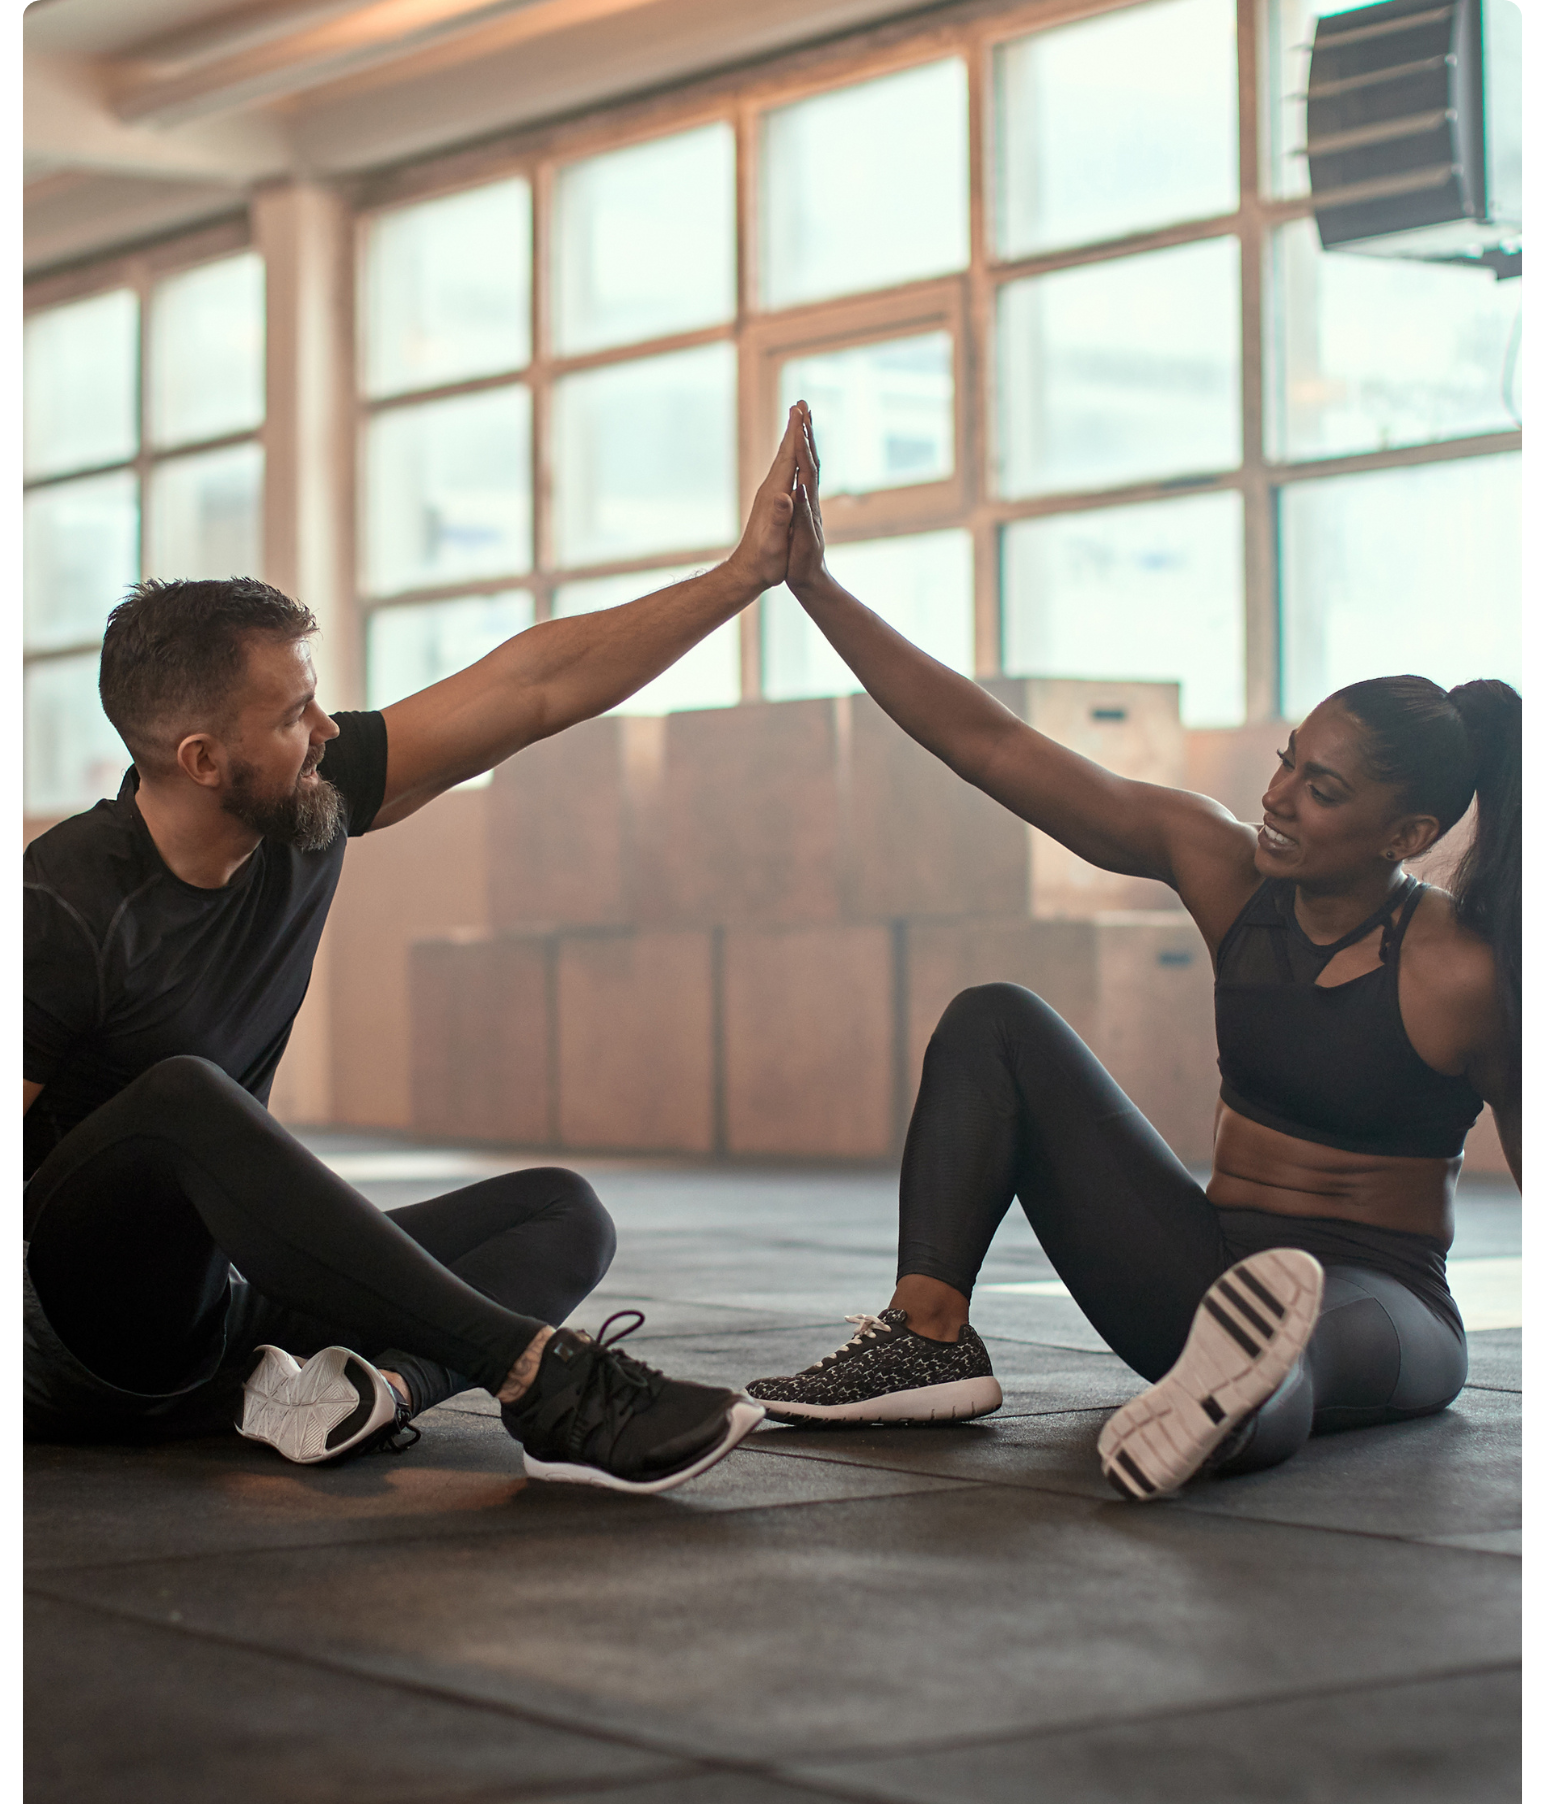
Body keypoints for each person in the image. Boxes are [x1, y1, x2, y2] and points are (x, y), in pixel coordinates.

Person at [22, 412, 810, 1495]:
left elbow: (529, 689)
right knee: (185, 1100)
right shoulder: (62, 902)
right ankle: (543, 1378)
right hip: (76, 1339)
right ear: (205, 759)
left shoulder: (300, 805)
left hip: (221, 1312)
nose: (331, 730)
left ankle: (363, 1394)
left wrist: (743, 575)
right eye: (297, 714)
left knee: (561, 1212)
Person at [746, 405, 1521, 1500]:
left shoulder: (1460, 970)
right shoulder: (1228, 869)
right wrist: (814, 588)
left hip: (1379, 1303)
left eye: (1323, 788)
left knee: (1292, 1349)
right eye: (1289, 759)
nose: (1278, 796)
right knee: (996, 1020)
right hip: (1201, 1266)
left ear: (1406, 837)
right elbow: (991, 744)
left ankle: (1214, 1414)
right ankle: (928, 1337)